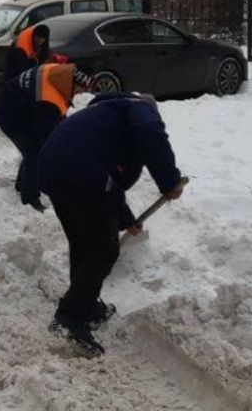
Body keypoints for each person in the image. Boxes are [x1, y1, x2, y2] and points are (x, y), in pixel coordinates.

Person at [37, 93, 186, 357]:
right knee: (103, 249)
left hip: (52, 167)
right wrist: (169, 180)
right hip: (81, 170)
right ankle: (71, 317)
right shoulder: (140, 108)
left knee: (84, 241)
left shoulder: (105, 121)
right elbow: (150, 132)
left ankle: (85, 303)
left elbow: (111, 185)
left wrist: (126, 220)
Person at [0, 63, 91, 211]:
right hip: (9, 115)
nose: (78, 95)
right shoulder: (48, 100)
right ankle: (30, 197)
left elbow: (54, 117)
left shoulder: (57, 72)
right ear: (71, 83)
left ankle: (22, 184)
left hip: (20, 105)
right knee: (36, 152)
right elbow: (45, 137)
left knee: (34, 149)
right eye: (78, 91)